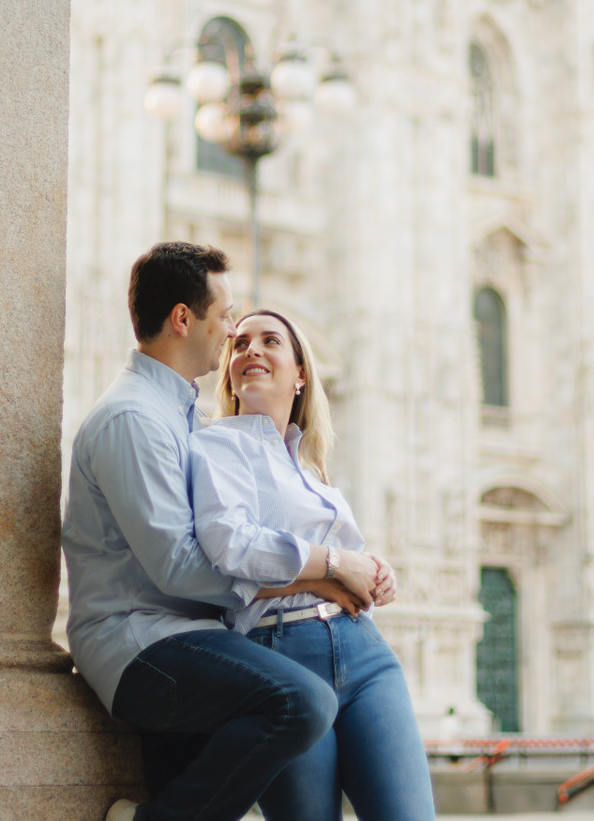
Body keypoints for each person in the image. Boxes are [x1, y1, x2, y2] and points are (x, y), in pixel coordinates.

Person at [62, 243, 365, 821]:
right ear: (183, 319)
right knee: (300, 700)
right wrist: (323, 574)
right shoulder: (135, 417)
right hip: (140, 645)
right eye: (226, 316)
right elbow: (178, 565)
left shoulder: (183, 416)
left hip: (191, 636)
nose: (231, 332)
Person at [190, 307, 435, 821]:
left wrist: (374, 569)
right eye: (240, 344)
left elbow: (344, 559)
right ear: (230, 374)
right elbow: (229, 551)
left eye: (270, 341)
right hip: (281, 656)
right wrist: (332, 570)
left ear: (300, 374)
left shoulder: (309, 462)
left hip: (366, 654)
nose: (251, 350)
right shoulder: (214, 445)